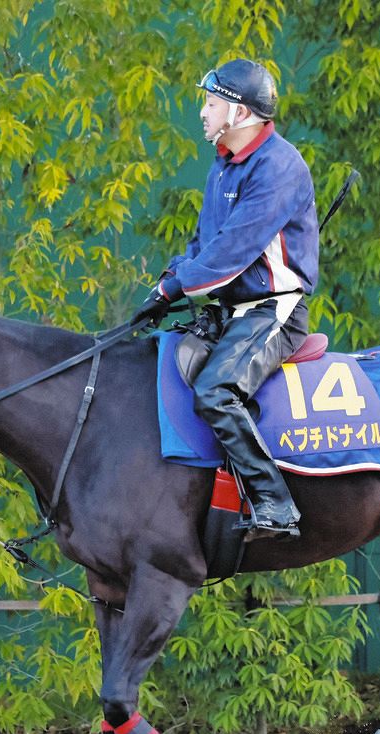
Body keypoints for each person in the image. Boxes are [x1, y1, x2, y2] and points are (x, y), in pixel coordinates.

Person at [132, 59, 319, 540]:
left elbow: (231, 256)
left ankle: (275, 504)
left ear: (240, 114)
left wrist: (176, 287)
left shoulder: (279, 167)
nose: (203, 112)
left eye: (212, 103)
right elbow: (204, 245)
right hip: (229, 310)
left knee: (215, 391)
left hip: (274, 310)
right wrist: (168, 280)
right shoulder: (222, 165)